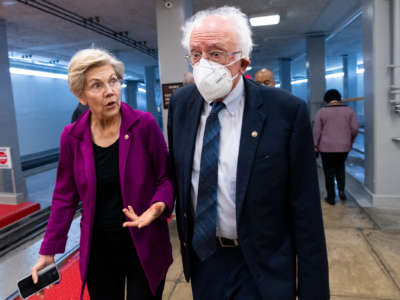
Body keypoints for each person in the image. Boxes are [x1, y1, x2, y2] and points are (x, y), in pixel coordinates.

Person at [168, 6, 329, 300]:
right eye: (195, 54)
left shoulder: (285, 112)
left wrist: (313, 291)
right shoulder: (181, 105)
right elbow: (178, 176)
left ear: (242, 62)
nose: (202, 64)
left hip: (262, 266)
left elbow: (305, 211)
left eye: (215, 53)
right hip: (205, 260)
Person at [31, 48, 174, 300]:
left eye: (113, 81)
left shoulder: (144, 125)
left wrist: (157, 207)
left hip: (144, 241)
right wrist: (48, 251)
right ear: (81, 96)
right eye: (97, 85)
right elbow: (64, 197)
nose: (110, 91)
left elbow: (166, 178)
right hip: (99, 247)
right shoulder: (72, 136)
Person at [313, 89, 359, 205]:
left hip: (326, 148)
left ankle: (331, 197)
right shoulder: (349, 110)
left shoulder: (321, 112)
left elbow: (316, 131)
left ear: (326, 100)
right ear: (339, 98)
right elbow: (355, 129)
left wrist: (315, 145)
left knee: (329, 172)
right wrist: (350, 141)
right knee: (340, 168)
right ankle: (342, 192)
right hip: (344, 147)